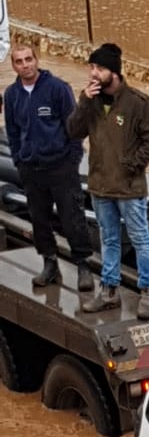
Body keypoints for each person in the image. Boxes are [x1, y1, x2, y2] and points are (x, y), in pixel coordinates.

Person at [66, 42, 149, 321]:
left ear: (115, 72)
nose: (93, 73)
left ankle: (147, 290)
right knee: (108, 239)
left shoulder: (139, 103)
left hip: (129, 188)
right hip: (99, 186)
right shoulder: (91, 101)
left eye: (99, 68)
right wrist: (84, 100)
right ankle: (109, 290)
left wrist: (130, 165)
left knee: (140, 238)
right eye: (92, 67)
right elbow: (73, 131)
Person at [2, 38, 94, 292]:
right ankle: (49, 263)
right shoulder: (12, 95)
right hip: (31, 168)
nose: (25, 66)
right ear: (14, 66)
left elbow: (74, 127)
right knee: (39, 219)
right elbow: (12, 129)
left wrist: (73, 160)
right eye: (19, 62)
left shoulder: (57, 89)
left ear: (37, 61)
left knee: (72, 217)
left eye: (28, 60)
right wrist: (20, 159)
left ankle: (83, 265)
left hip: (61, 166)